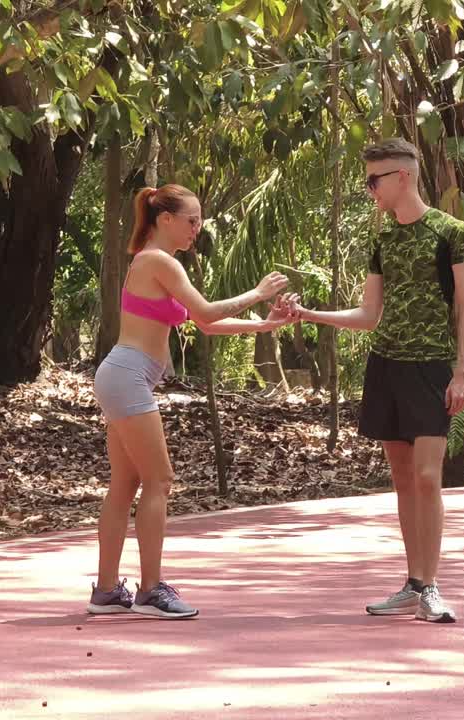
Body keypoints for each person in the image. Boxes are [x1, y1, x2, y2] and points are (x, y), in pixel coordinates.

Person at [87, 183, 295, 619]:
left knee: (126, 485)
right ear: (165, 219)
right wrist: (258, 293)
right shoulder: (157, 260)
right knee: (159, 480)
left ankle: (107, 591)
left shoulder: (158, 263)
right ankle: (149, 591)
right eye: (191, 220)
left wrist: (263, 326)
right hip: (127, 376)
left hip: (124, 376)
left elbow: (207, 326)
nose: (197, 229)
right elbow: (205, 311)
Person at [291, 138, 464, 623]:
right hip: (386, 364)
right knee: (401, 478)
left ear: (403, 176)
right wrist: (310, 313)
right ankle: (414, 583)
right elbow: (370, 315)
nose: (369, 190)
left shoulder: (450, 232)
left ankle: (432, 587)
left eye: (374, 180)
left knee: (428, 477)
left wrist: (462, 371)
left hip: (432, 365)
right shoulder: (384, 239)